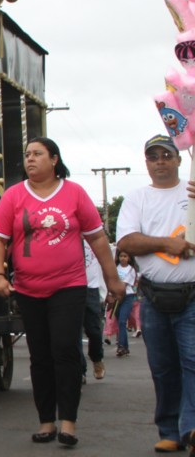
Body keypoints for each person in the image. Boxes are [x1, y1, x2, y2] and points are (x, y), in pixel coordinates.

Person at [0, 137, 123, 447]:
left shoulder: (74, 193)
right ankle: (46, 421)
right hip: (28, 288)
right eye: (27, 155)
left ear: (54, 159)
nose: (30, 159)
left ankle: (68, 423)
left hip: (69, 286)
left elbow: (98, 240)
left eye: (37, 154)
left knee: (65, 350)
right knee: (41, 356)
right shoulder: (13, 196)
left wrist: (112, 279)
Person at [115, 134, 195, 453]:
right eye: (153, 156)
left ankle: (190, 428)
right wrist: (166, 243)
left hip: (191, 297)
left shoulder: (191, 193)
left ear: (179, 159)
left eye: (166, 155)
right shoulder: (137, 198)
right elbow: (127, 242)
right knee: (162, 367)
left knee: (193, 361)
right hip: (153, 298)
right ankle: (169, 430)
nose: (160, 161)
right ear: (146, 163)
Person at [80, 240, 106, 382]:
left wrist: (107, 290)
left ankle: (97, 358)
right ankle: (80, 370)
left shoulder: (94, 238)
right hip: (72, 287)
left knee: (94, 330)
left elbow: (105, 265)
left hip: (91, 288)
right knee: (74, 334)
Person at [114, 250, 138, 357]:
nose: (123, 258)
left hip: (127, 297)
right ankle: (125, 347)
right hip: (116, 298)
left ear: (129, 258)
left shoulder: (131, 270)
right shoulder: (115, 268)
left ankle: (121, 346)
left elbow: (124, 284)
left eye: (125, 256)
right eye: (121, 256)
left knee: (122, 321)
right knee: (119, 322)